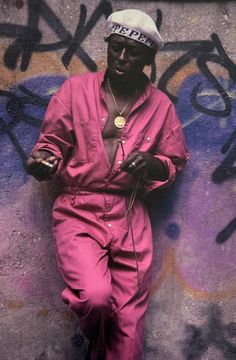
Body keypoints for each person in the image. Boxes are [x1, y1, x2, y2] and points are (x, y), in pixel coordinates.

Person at [27, 8, 189, 360]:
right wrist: (43, 161)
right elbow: (49, 144)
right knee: (96, 299)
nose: (122, 58)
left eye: (133, 52)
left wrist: (153, 164)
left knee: (129, 328)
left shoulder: (161, 107)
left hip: (130, 215)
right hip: (78, 209)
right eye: (116, 47)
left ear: (148, 59)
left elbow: (174, 163)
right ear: (108, 45)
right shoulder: (75, 91)